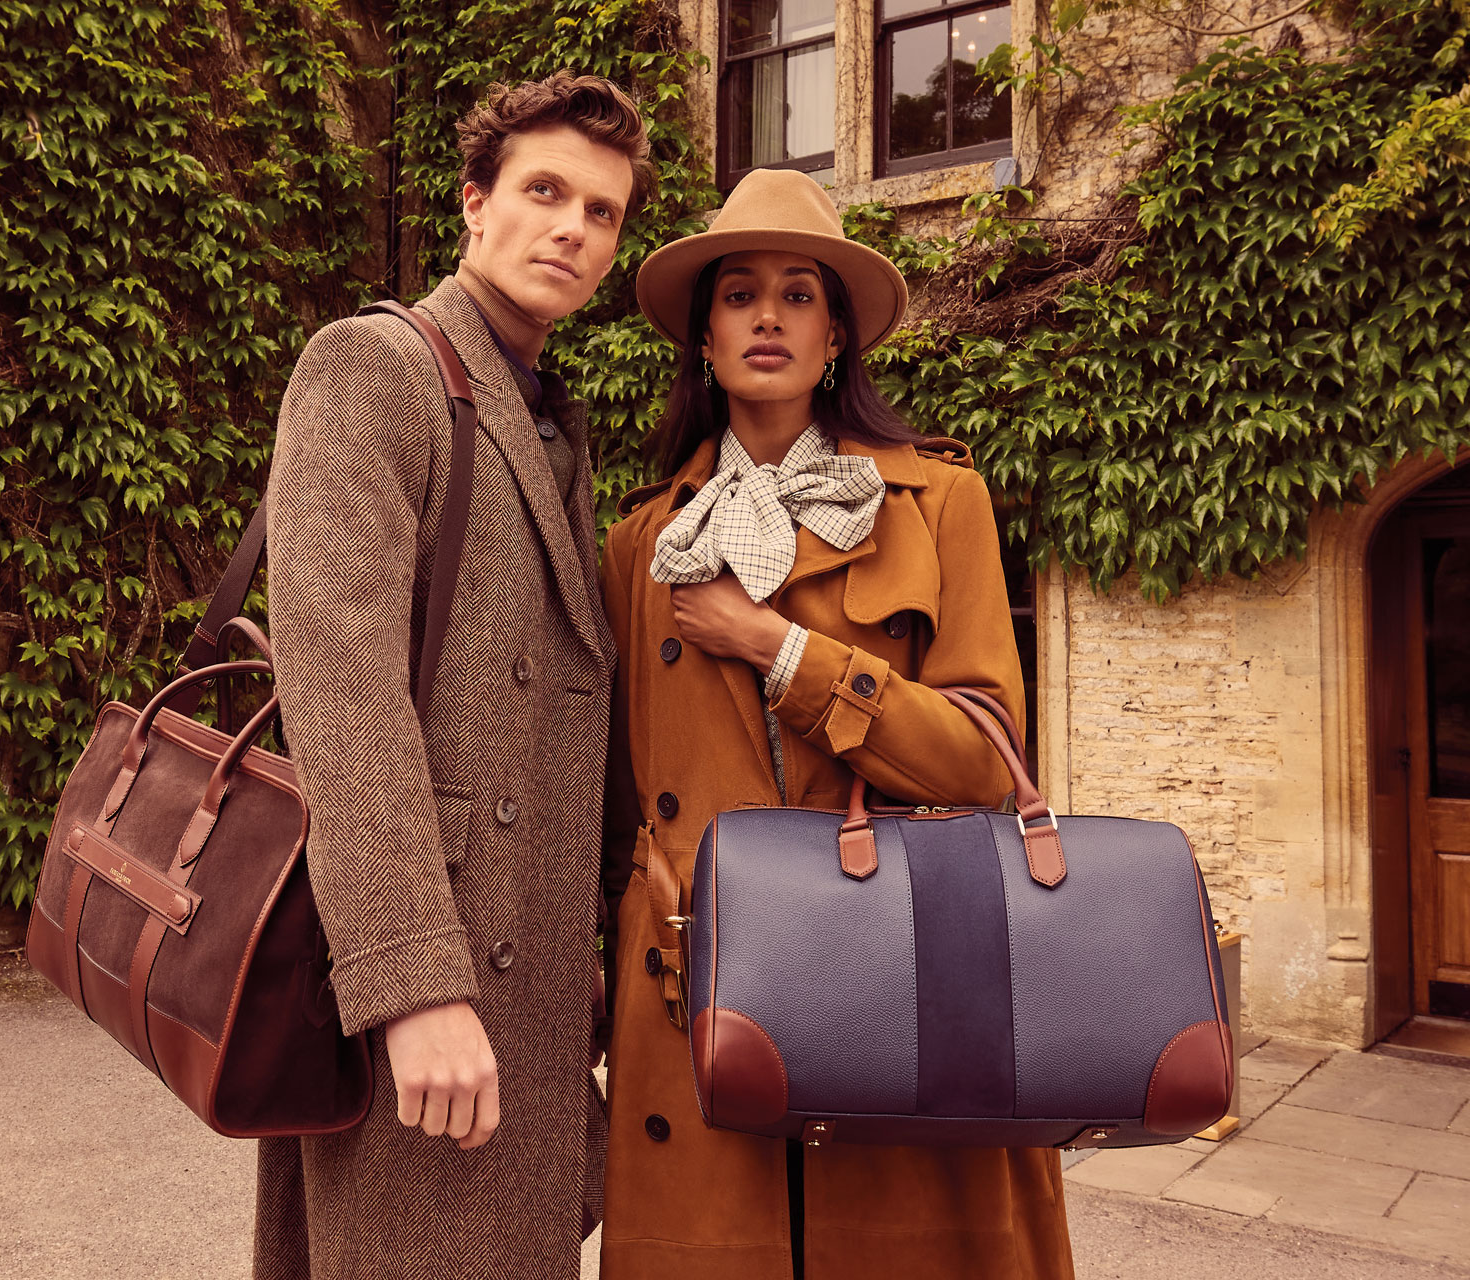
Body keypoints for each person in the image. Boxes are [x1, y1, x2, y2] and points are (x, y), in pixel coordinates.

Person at [597, 167, 1076, 1279]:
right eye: (740, 293)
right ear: (705, 338)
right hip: (694, 986)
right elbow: (616, 796)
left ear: (838, 335)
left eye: (800, 292)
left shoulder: (938, 503)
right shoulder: (642, 545)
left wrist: (780, 649)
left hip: (897, 968)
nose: (768, 315)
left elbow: (978, 759)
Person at [253, 73, 656, 1280]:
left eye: (604, 210)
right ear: (474, 205)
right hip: (431, 989)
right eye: (544, 191)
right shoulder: (373, 366)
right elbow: (342, 688)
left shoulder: (540, 410)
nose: (574, 228)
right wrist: (410, 983)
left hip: (521, 984)